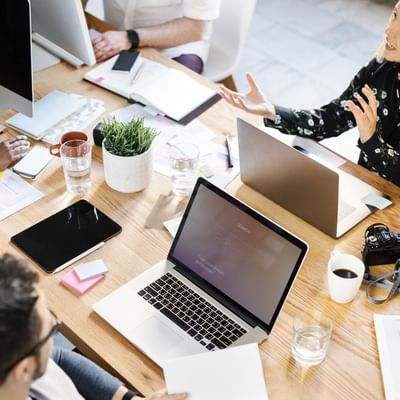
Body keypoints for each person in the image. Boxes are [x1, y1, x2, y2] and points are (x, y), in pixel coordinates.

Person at [220, 1, 400, 187]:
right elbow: (331, 119)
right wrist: (273, 111)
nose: (389, 31)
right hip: (368, 191)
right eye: (394, 16)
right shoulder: (381, 70)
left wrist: (371, 140)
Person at [0, 252, 187, 400]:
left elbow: (57, 357)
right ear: (24, 370)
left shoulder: (14, 364)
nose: (53, 337)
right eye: (51, 330)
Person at [84, 0, 220, 73]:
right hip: (115, 35)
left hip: (176, 44)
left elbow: (195, 28)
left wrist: (129, 38)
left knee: (164, 97)